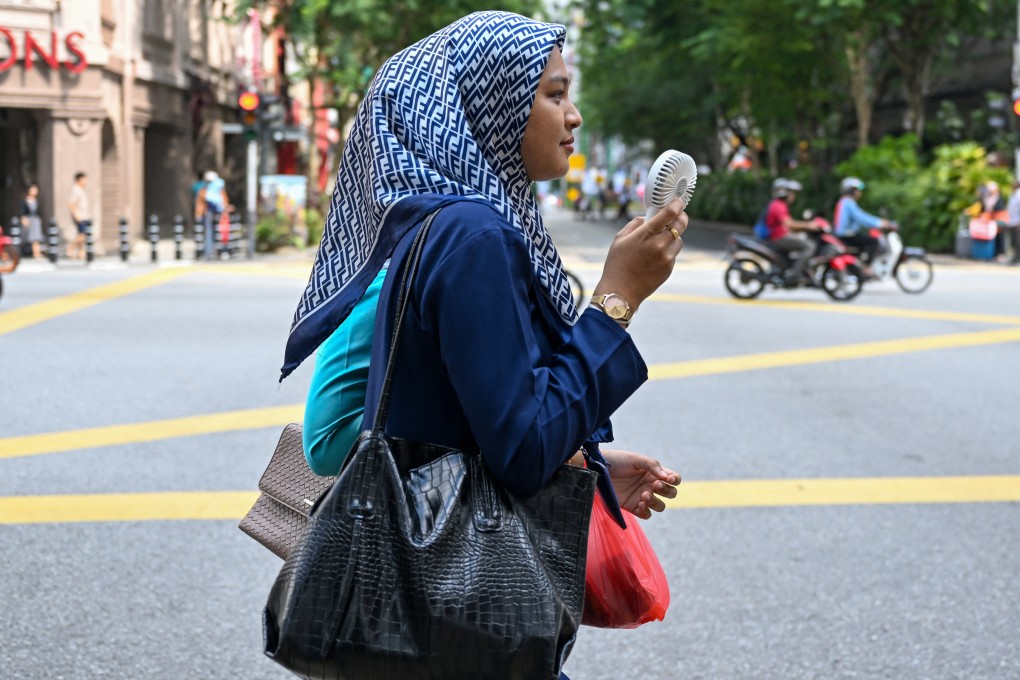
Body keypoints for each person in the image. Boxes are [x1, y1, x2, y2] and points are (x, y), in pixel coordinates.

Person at [283, 12, 683, 678]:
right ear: (490, 105)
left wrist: (584, 460)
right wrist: (617, 302)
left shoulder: (440, 222)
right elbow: (521, 450)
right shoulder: (474, 236)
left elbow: (472, 420)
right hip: (462, 623)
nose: (574, 115)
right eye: (554, 94)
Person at [833, 177, 891, 277]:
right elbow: (861, 218)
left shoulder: (844, 202)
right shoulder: (848, 202)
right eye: (857, 190)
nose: (859, 193)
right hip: (846, 235)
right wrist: (880, 223)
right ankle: (865, 267)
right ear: (851, 191)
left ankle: (859, 265)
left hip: (846, 234)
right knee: (873, 242)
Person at [764, 177, 820, 282]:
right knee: (810, 246)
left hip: (780, 235)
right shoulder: (779, 205)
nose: (793, 196)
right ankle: (795, 274)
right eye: (791, 193)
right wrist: (808, 225)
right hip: (778, 237)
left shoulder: (779, 205)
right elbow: (789, 224)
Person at [196, 170, 230, 259]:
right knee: (211, 232)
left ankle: (216, 251)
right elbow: (201, 203)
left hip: (214, 212)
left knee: (216, 232)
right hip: (210, 212)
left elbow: (224, 200)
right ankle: (210, 251)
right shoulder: (214, 188)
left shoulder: (208, 189)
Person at [67, 171, 90, 260]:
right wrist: (76, 215)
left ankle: (81, 253)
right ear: (79, 180)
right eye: (85, 180)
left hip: (84, 216)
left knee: (82, 235)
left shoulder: (80, 190)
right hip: (80, 216)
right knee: (82, 235)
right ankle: (70, 248)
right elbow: (71, 204)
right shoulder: (75, 190)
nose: (86, 182)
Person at [20, 183, 43, 259]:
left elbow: (39, 211)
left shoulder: (37, 201)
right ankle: (34, 253)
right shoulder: (25, 200)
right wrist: (23, 219)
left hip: (36, 220)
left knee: (36, 237)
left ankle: (37, 253)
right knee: (29, 237)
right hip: (28, 220)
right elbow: (22, 212)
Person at [1004, 180, 1020, 265]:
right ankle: (1015, 257)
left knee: (1018, 241)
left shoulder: (1018, 195)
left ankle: (1018, 258)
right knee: (1014, 241)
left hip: (1017, 222)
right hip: (1012, 221)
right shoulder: (1013, 195)